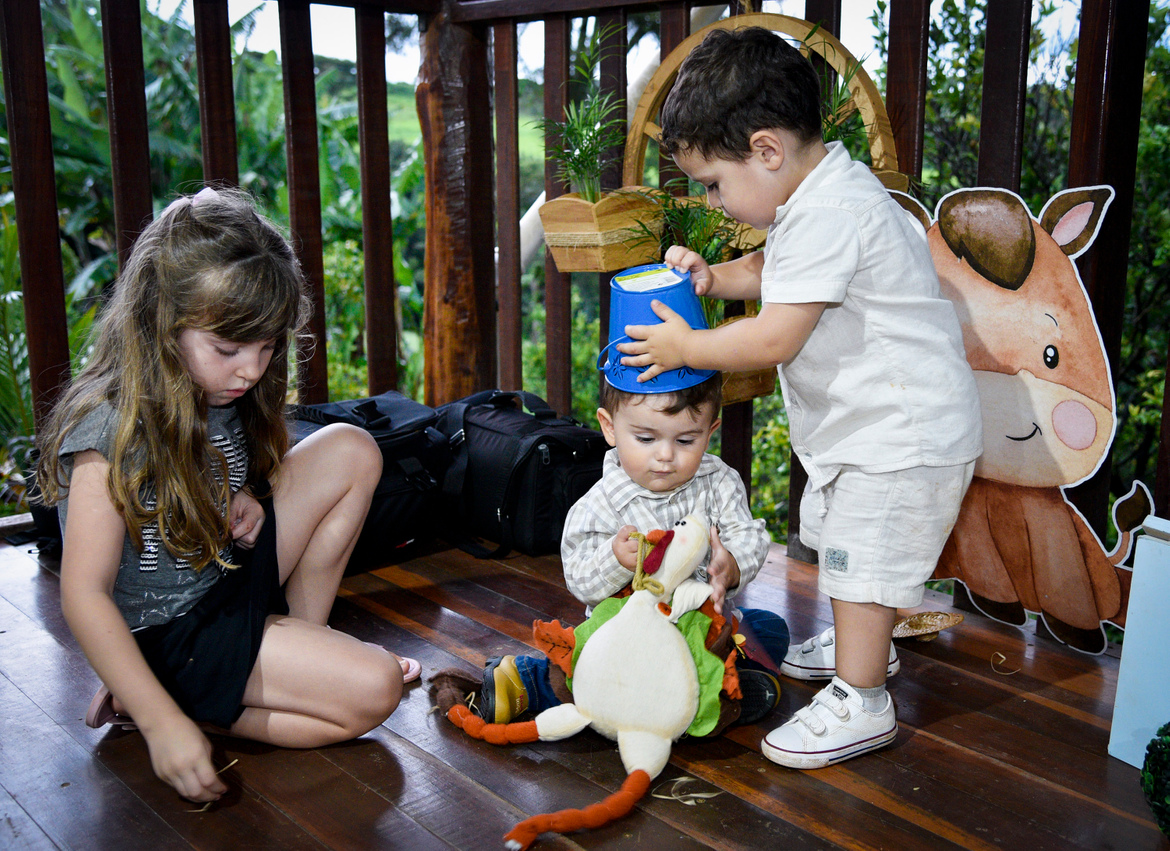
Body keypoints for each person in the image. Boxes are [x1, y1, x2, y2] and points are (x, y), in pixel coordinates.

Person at [616, 27, 982, 769]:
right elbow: (772, 270)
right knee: (851, 549)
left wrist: (687, 348)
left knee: (859, 558)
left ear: (766, 151)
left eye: (713, 183)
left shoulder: (830, 212)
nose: (712, 200)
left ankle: (863, 698)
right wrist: (715, 279)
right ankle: (864, 645)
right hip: (877, 430)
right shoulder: (821, 196)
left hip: (900, 436)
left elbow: (777, 335)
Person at [35, 187, 418, 804]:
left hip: (224, 576)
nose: (252, 370)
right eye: (230, 349)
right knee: (377, 688)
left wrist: (244, 494)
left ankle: (299, 650)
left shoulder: (216, 385)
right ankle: (160, 699)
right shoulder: (108, 428)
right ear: (161, 325)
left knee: (352, 448)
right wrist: (163, 724)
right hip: (172, 635)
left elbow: (223, 469)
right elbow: (83, 593)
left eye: (267, 348)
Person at [480, 365, 790, 731]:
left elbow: (748, 534)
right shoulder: (598, 505)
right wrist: (616, 560)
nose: (665, 455)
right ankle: (528, 681)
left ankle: (701, 696)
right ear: (610, 427)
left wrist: (732, 563)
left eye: (685, 441)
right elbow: (580, 580)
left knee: (770, 627)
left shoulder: (718, 481)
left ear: (710, 432)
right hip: (626, 648)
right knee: (590, 672)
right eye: (645, 439)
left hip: (702, 631)